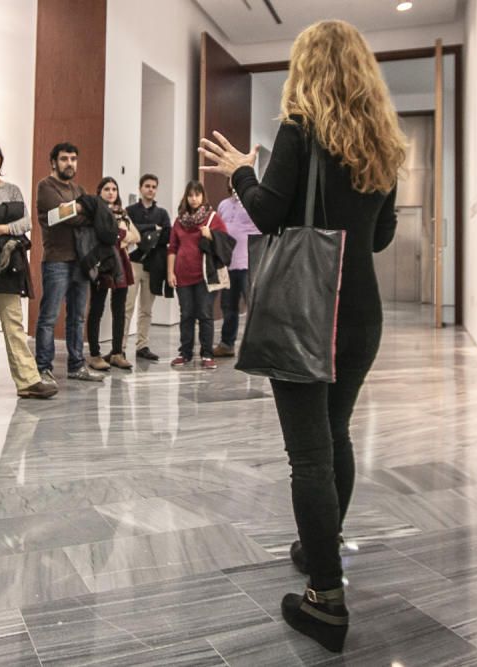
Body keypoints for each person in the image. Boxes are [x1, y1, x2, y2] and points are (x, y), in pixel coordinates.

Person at [199, 19, 404, 653]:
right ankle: (321, 545)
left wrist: (239, 170)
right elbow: (380, 236)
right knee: (335, 435)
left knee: (309, 455)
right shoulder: (382, 141)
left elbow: (263, 213)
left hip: (306, 311)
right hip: (360, 312)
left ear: (305, 67)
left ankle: (325, 598)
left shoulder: (299, 130)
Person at [0, 138, 57, 399]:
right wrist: (5, 214)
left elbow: (26, 223)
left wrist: (1, 227)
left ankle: (28, 380)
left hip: (9, 259)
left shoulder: (13, 189)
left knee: (13, 321)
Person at [34, 142, 104, 383]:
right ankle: (43, 368)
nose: (69, 163)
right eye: (64, 159)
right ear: (54, 162)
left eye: (73, 159)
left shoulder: (78, 188)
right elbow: (57, 217)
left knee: (77, 317)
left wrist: (74, 211)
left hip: (81, 261)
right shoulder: (45, 186)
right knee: (49, 317)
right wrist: (81, 211)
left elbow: (87, 218)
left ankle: (77, 365)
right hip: (56, 261)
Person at [166, 181, 227, 370]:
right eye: (191, 195)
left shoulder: (213, 218)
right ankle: (185, 353)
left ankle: (207, 354)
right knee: (186, 315)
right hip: (182, 275)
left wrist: (210, 235)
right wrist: (170, 272)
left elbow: (226, 242)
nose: (194, 199)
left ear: (203, 197)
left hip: (205, 276)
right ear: (186, 197)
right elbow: (172, 248)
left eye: (197, 195)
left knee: (205, 314)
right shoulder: (179, 221)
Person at [86, 177, 139, 371]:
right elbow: (104, 236)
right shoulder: (95, 212)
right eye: (106, 188)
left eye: (114, 189)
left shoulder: (122, 213)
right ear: (99, 191)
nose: (111, 192)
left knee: (120, 309)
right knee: (97, 308)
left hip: (121, 265)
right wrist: (121, 236)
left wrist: (122, 237)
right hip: (102, 264)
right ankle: (94, 353)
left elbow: (137, 236)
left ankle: (117, 352)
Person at [125, 174, 171, 361]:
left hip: (153, 266)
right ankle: (118, 347)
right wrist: (152, 227)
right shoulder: (130, 210)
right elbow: (129, 232)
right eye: (147, 186)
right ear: (140, 188)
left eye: (153, 186)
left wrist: (143, 231)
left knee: (146, 309)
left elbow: (167, 236)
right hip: (133, 263)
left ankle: (142, 346)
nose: (150, 189)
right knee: (127, 307)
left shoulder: (162, 213)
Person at [213, 182, 261, 357]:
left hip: (249, 263)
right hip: (229, 264)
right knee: (229, 306)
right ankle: (227, 344)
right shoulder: (223, 205)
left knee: (254, 307)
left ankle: (255, 347)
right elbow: (219, 230)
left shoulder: (254, 202)